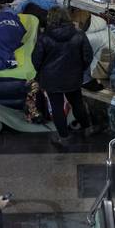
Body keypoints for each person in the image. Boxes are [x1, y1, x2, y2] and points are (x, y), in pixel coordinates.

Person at [31, 8, 97, 145]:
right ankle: (87, 128)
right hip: (73, 76)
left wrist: (43, 72)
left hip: (51, 79)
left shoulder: (44, 37)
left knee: (57, 107)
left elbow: (36, 60)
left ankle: (64, 137)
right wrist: (79, 69)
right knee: (77, 103)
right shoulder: (79, 34)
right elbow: (88, 56)